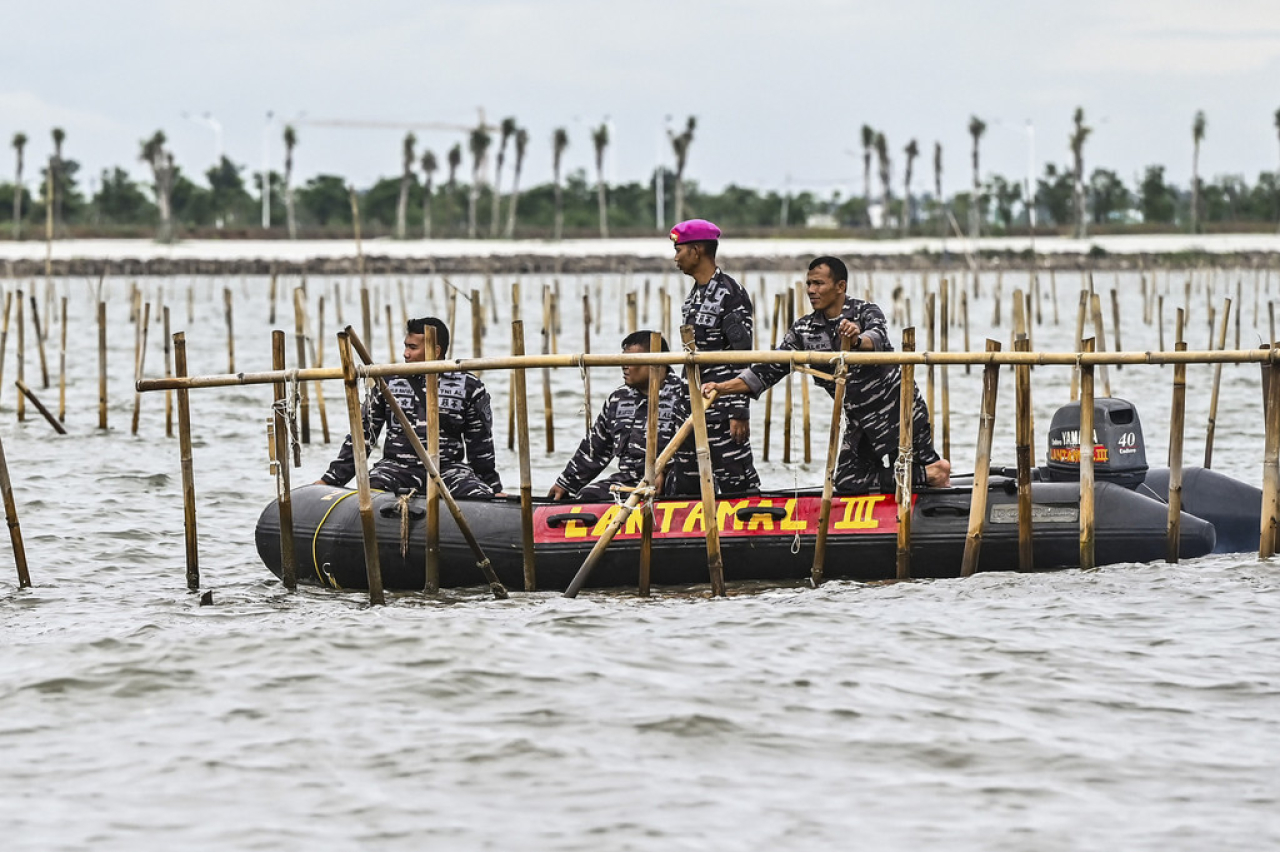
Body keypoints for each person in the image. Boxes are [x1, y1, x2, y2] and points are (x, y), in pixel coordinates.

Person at [701, 256, 951, 493]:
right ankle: (928, 474)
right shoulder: (804, 329)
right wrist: (721, 387)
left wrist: (854, 340)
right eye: (809, 283)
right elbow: (766, 370)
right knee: (847, 481)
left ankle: (932, 478)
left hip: (899, 411)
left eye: (819, 283)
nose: (811, 290)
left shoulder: (865, 312)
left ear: (840, 286)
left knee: (914, 476)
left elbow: (876, 338)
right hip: (860, 420)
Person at [318, 317, 502, 498]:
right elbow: (363, 435)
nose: (406, 354)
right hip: (395, 470)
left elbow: (481, 445)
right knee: (370, 493)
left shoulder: (469, 386)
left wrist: (493, 488)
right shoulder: (387, 381)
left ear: (435, 351)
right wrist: (330, 480)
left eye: (412, 348)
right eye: (406, 346)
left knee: (480, 497)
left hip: (448, 471)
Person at [670, 218, 760, 495]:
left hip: (721, 408)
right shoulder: (694, 296)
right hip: (692, 405)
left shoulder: (730, 294)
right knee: (687, 482)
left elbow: (742, 356)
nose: (676, 258)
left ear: (696, 251)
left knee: (737, 483)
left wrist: (738, 411)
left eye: (679, 251)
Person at [548, 331, 692, 502]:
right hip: (630, 480)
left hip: (675, 480)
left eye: (631, 361)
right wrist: (565, 483)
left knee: (681, 485)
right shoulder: (618, 399)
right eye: (622, 361)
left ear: (659, 363)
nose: (624, 366)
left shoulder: (687, 394)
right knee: (587, 497)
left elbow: (699, 449)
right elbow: (595, 448)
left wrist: (665, 470)